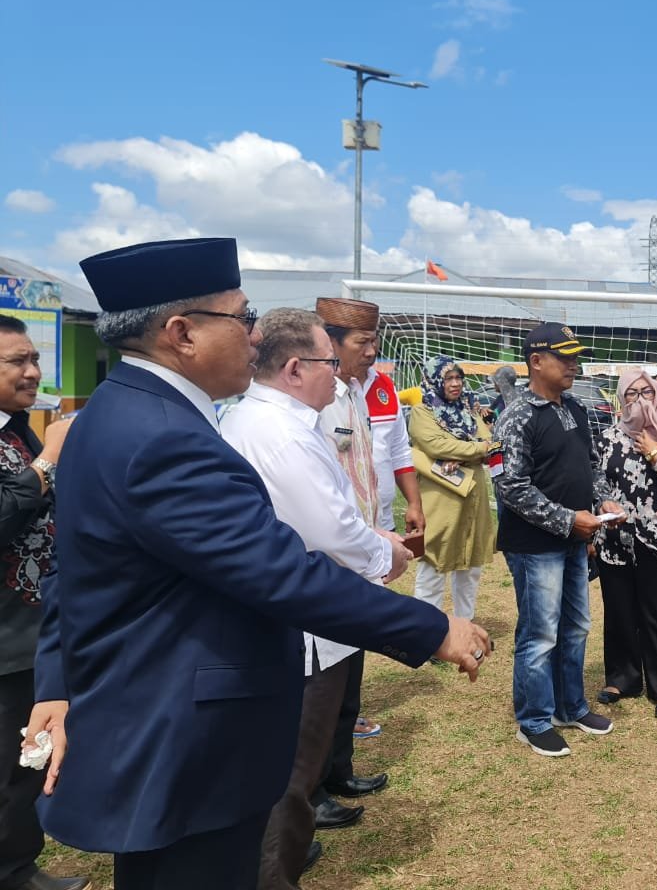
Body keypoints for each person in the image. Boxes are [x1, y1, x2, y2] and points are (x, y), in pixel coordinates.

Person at [23, 238, 491, 890]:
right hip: (185, 736)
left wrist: (55, 681)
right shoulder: (163, 438)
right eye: (241, 319)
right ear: (181, 333)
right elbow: (278, 569)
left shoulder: (118, 410)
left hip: (159, 719)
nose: (254, 336)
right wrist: (432, 629)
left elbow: (71, 568)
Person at [221, 308, 420, 887]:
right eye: (330, 361)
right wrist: (388, 554)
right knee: (292, 774)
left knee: (290, 769)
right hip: (305, 627)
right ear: (294, 368)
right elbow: (331, 530)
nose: (338, 375)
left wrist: (374, 541)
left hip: (299, 617)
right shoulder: (282, 434)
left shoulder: (271, 421)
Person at [492, 323, 624, 757]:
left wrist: (603, 500)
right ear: (535, 361)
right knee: (540, 633)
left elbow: (591, 465)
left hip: (573, 538)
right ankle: (533, 720)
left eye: (574, 356)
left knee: (576, 626)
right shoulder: (517, 415)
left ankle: (571, 706)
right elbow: (510, 486)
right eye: (563, 357)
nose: (573, 364)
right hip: (534, 546)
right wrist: (569, 520)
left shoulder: (576, 409)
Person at [0, 317, 88, 890]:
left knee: (23, 762)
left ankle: (16, 864)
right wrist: (50, 460)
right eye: (16, 363)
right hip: (4, 639)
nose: (33, 373)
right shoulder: (36, 442)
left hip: (32, 629)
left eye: (34, 359)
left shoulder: (21, 431)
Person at [311, 297, 395, 811]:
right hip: (331, 555)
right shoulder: (315, 404)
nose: (373, 351)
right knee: (321, 680)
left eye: (373, 341)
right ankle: (313, 788)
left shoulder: (354, 393)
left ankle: (339, 770)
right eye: (363, 343)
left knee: (349, 671)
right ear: (330, 344)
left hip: (361, 548)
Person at [594, 370, 657, 719]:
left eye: (646, 392)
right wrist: (604, 503)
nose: (639, 399)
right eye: (632, 394)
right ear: (622, 399)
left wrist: (655, 454)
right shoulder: (609, 436)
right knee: (619, 610)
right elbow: (597, 479)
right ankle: (623, 678)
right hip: (614, 540)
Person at [409, 355, 496, 620]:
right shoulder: (422, 411)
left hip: (474, 497)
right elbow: (436, 445)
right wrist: (475, 450)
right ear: (435, 380)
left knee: (470, 568)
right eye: (449, 378)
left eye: (459, 377)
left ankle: (464, 626)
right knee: (434, 564)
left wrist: (464, 453)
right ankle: (429, 633)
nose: (456, 384)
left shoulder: (470, 407)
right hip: (441, 497)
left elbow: (491, 442)